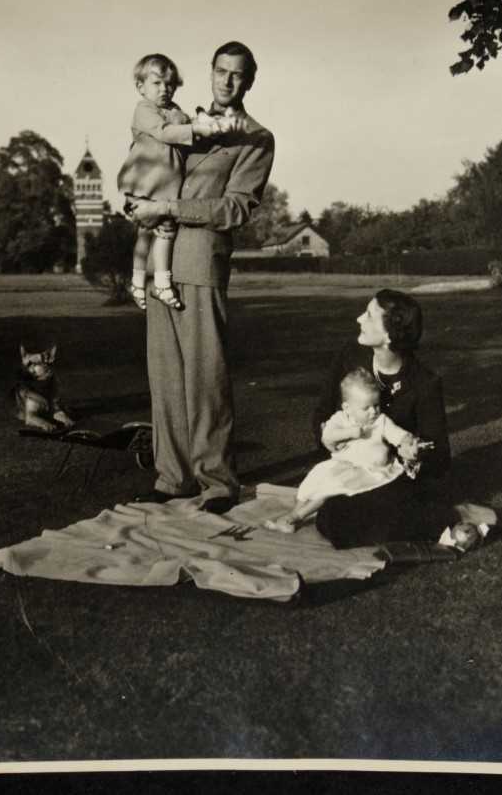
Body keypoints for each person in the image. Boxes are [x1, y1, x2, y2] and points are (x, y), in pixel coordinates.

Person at [124, 42, 275, 514]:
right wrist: (137, 201)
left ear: (249, 81)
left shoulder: (256, 138)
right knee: (165, 376)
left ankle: (217, 484)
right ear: (210, 73)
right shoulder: (178, 121)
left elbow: (234, 208)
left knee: (205, 378)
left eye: (238, 74)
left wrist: (166, 208)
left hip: (201, 265)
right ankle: (172, 478)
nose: (227, 81)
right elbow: (151, 168)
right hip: (158, 264)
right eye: (220, 71)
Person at [314, 289, 496, 549]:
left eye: (368, 315)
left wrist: (413, 453)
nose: (358, 319)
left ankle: (448, 517)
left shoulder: (424, 383)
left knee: (344, 523)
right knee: (330, 519)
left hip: (395, 478)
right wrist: (327, 434)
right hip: (350, 470)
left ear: (389, 336)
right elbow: (322, 411)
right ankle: (440, 518)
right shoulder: (350, 357)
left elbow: (440, 457)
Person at [117, 53, 227, 312]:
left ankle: (142, 283)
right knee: (154, 234)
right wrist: (196, 129)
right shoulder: (144, 110)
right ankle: (158, 283)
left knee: (154, 232)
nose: (164, 89)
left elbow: (185, 122)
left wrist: (201, 121)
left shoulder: (174, 111)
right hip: (147, 181)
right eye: (157, 83)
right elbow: (164, 132)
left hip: (164, 185)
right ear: (141, 86)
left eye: (169, 84)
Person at [264, 367, 434, 533]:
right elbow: (327, 437)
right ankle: (294, 512)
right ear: (347, 408)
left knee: (330, 488)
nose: (373, 412)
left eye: (376, 405)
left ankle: (294, 517)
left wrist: (409, 442)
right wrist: (351, 432)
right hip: (342, 465)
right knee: (315, 478)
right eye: (366, 408)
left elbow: (397, 434)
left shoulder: (380, 422)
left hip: (368, 471)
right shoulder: (340, 419)